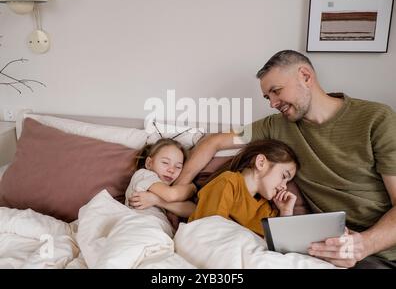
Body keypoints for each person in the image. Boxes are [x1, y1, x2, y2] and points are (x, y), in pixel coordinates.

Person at [173, 50, 396, 269]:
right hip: (321, 248)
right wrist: (179, 188)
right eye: (268, 97)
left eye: (276, 91)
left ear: (305, 76)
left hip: (378, 252)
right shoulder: (276, 126)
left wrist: (363, 245)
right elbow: (215, 142)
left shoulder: (376, 119)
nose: (272, 103)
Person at [188, 139, 299, 236]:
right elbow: (210, 230)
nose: (284, 187)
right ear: (261, 163)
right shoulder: (228, 182)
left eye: (287, 182)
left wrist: (286, 211)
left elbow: (282, 247)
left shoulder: (266, 209)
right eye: (284, 176)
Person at [125, 138, 196, 233]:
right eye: (165, 163)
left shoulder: (168, 189)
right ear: (149, 163)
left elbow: (193, 210)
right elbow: (171, 195)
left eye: (178, 167)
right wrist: (192, 188)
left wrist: (157, 201)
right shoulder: (143, 175)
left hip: (159, 233)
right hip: (140, 226)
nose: (171, 170)